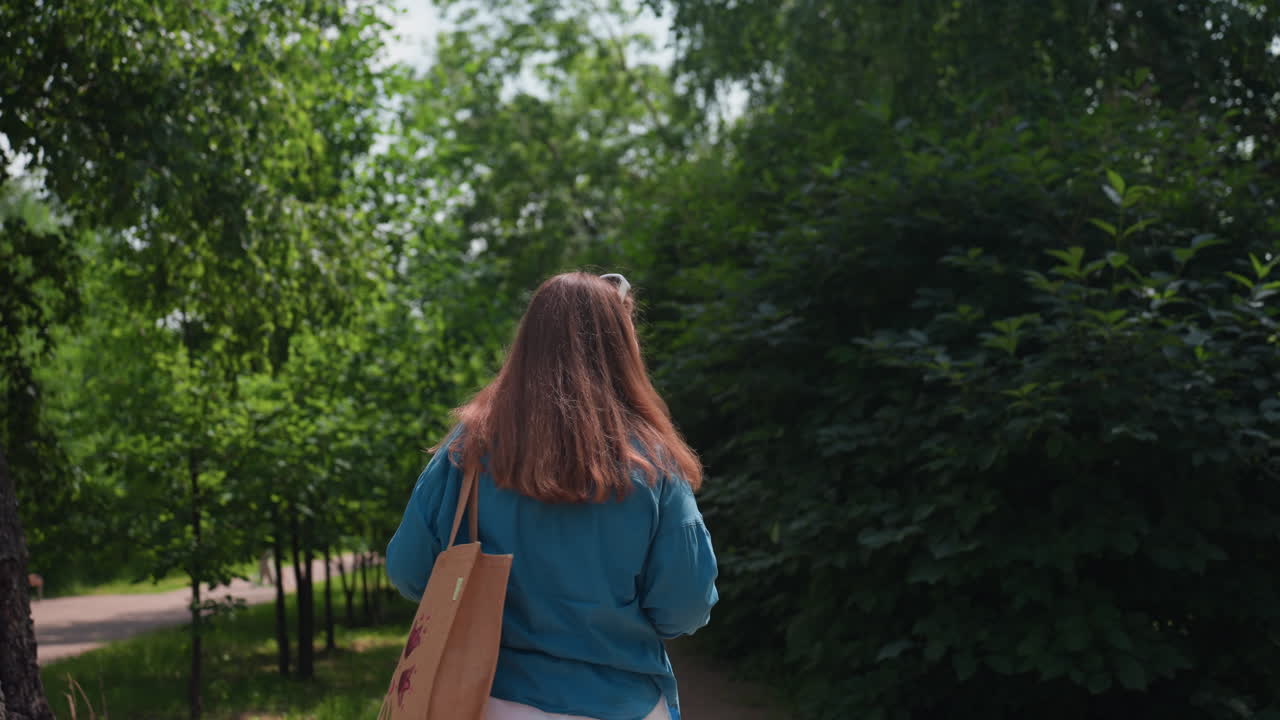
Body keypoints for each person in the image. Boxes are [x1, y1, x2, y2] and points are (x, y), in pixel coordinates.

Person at [387, 271, 718, 720]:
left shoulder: (469, 448)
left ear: (527, 342)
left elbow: (409, 570)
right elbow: (685, 606)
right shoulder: (654, 462)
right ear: (621, 349)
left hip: (485, 700)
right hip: (621, 703)